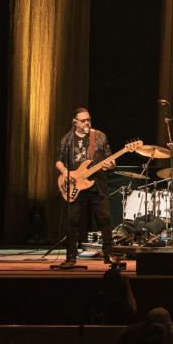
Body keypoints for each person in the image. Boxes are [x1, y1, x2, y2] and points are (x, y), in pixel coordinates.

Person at [55, 107, 116, 267]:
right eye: (83, 120)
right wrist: (65, 172)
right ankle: (71, 257)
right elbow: (59, 160)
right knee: (72, 220)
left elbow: (110, 158)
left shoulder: (99, 136)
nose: (87, 122)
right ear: (75, 122)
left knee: (105, 219)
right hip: (75, 185)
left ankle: (108, 254)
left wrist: (111, 164)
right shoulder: (67, 139)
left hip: (97, 185)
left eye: (88, 119)